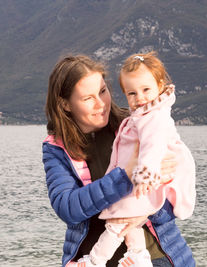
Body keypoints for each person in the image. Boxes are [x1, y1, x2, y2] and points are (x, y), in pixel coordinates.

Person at [43, 54, 196, 267]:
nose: (101, 104)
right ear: (65, 104)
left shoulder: (137, 125)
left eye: (103, 92)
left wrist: (144, 213)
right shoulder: (56, 148)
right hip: (94, 260)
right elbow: (68, 208)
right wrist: (124, 175)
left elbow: (175, 191)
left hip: (157, 257)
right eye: (88, 98)